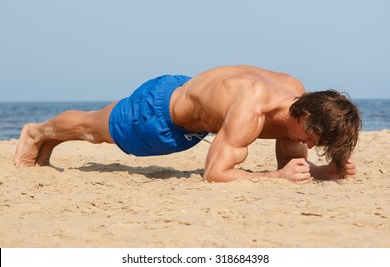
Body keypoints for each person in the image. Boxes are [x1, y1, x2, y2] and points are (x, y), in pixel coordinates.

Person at [14, 65, 362, 183]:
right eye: (314, 137)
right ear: (303, 114)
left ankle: (49, 142)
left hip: (195, 105)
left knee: (96, 129)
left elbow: (291, 162)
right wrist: (275, 179)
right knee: (94, 129)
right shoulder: (252, 107)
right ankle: (38, 131)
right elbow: (215, 174)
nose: (312, 145)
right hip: (161, 114)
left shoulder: (295, 95)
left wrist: (322, 171)